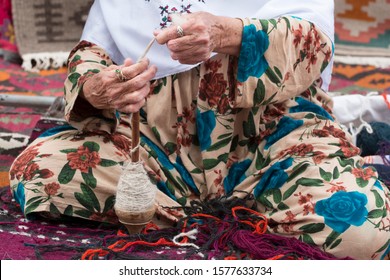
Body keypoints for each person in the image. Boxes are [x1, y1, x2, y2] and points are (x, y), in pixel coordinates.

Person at [9, 0, 390, 260]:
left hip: (272, 138)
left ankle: (245, 204)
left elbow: (312, 43)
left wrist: (226, 34)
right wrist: (99, 87)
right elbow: (92, 54)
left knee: (364, 230)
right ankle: (216, 219)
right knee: (40, 175)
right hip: (154, 142)